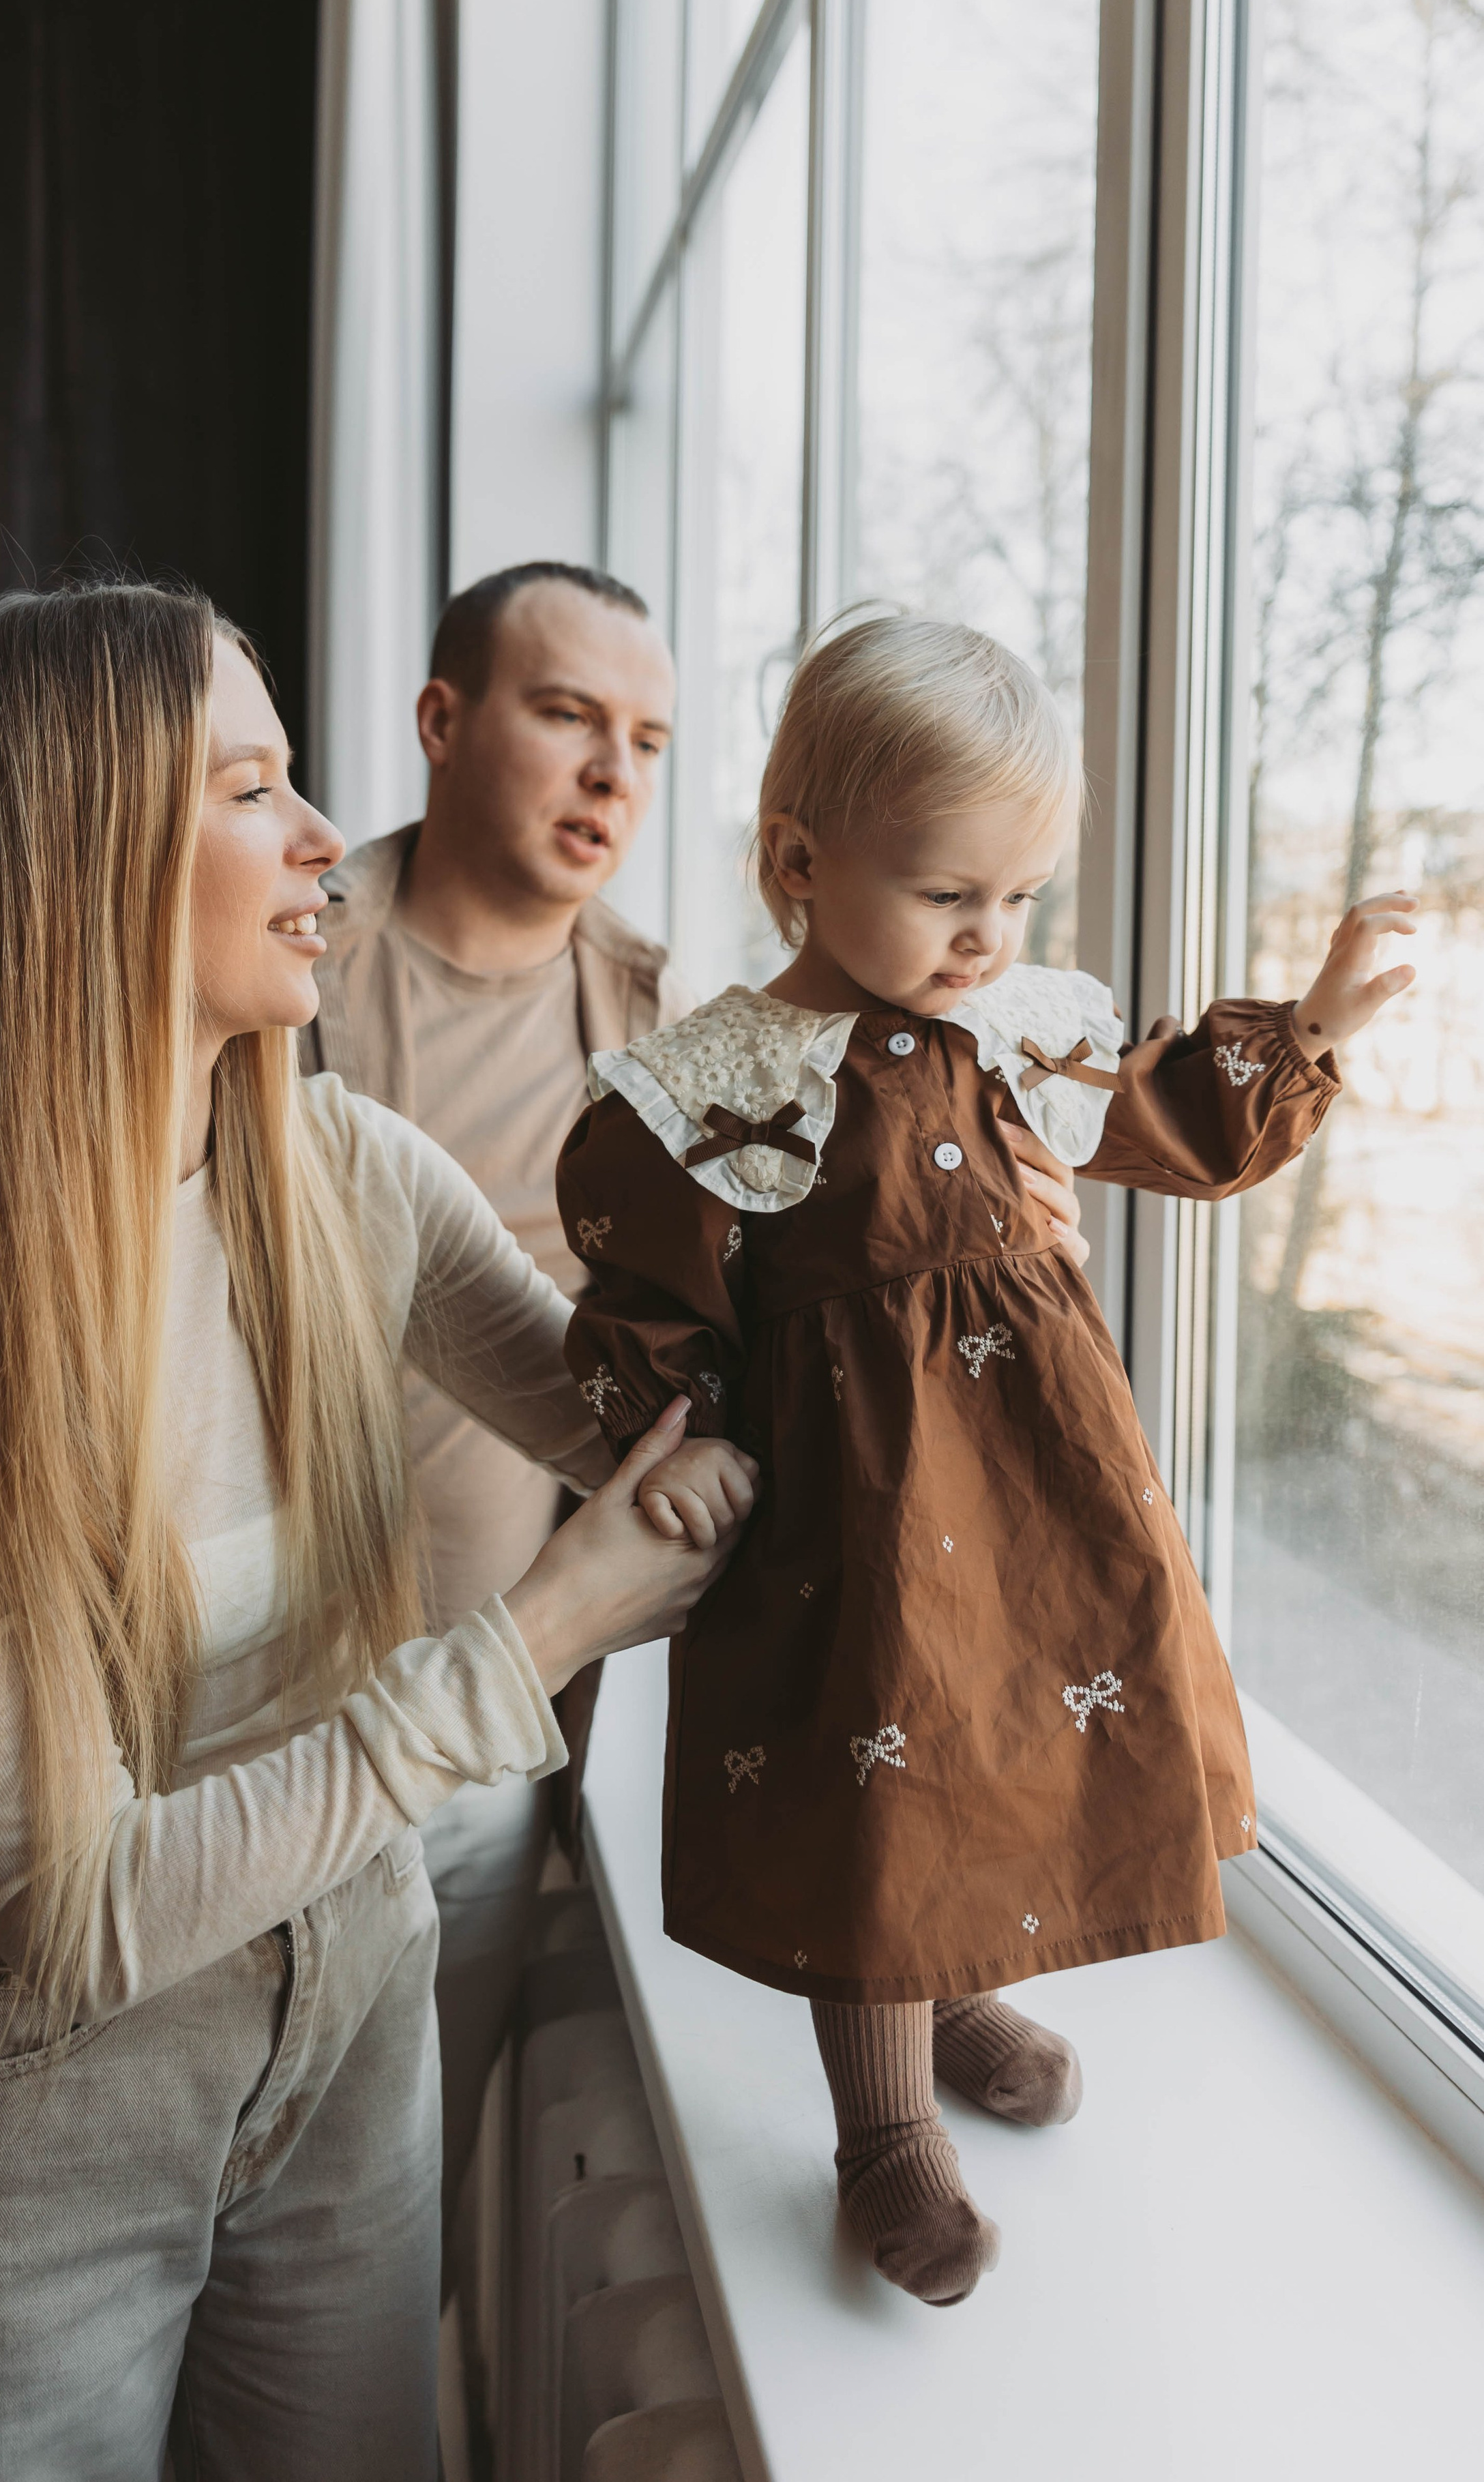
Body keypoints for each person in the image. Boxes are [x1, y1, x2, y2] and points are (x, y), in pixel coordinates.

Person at [0, 581, 758, 2479]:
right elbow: (80, 1908)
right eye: (249, 790)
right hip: (29, 2122)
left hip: (351, 2026)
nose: (319, 839)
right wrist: (536, 1634)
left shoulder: (347, 1175)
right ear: (76, 860)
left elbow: (660, 1430)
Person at [557, 609, 1417, 2307]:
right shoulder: (723, 1087)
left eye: (1015, 897)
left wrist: (1304, 1023)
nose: (986, 936)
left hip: (1023, 1489)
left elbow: (1170, 1115)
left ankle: (950, 1993)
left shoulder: (1023, 1031)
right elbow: (636, 1288)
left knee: (1001, 1741)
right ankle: (880, 2129)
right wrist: (687, 1439)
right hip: (853, 1523)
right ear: (798, 861)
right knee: (878, 1782)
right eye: (950, 894)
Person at [300, 559, 694, 2245]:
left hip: (482, 1726)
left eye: (648, 740)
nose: (613, 773)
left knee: (396, 2235)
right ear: (443, 723)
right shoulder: (293, 970)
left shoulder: (667, 1024)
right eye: (567, 716)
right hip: (232, 1712)